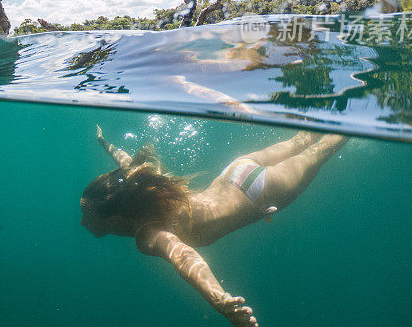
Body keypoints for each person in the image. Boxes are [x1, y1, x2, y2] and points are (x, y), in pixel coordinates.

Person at [80, 126, 347, 326]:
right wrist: (105, 143)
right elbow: (128, 168)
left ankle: (368, 104)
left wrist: (218, 300)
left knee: (321, 150)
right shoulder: (143, 189)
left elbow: (184, 257)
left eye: (88, 215)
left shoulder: (146, 233)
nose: (83, 221)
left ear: (113, 217)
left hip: (260, 192)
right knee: (302, 140)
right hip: (236, 170)